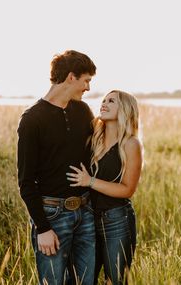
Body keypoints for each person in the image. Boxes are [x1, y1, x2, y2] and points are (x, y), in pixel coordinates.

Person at [17, 50, 97, 285]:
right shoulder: (32, 119)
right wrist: (42, 228)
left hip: (85, 212)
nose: (88, 88)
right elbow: (26, 181)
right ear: (71, 77)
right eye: (86, 81)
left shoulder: (83, 112)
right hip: (52, 216)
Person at [66, 90, 143, 285]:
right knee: (82, 278)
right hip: (88, 218)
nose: (104, 104)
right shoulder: (94, 140)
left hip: (116, 219)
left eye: (111, 101)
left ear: (125, 109)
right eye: (103, 100)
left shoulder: (130, 144)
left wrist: (89, 181)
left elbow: (127, 190)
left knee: (115, 280)